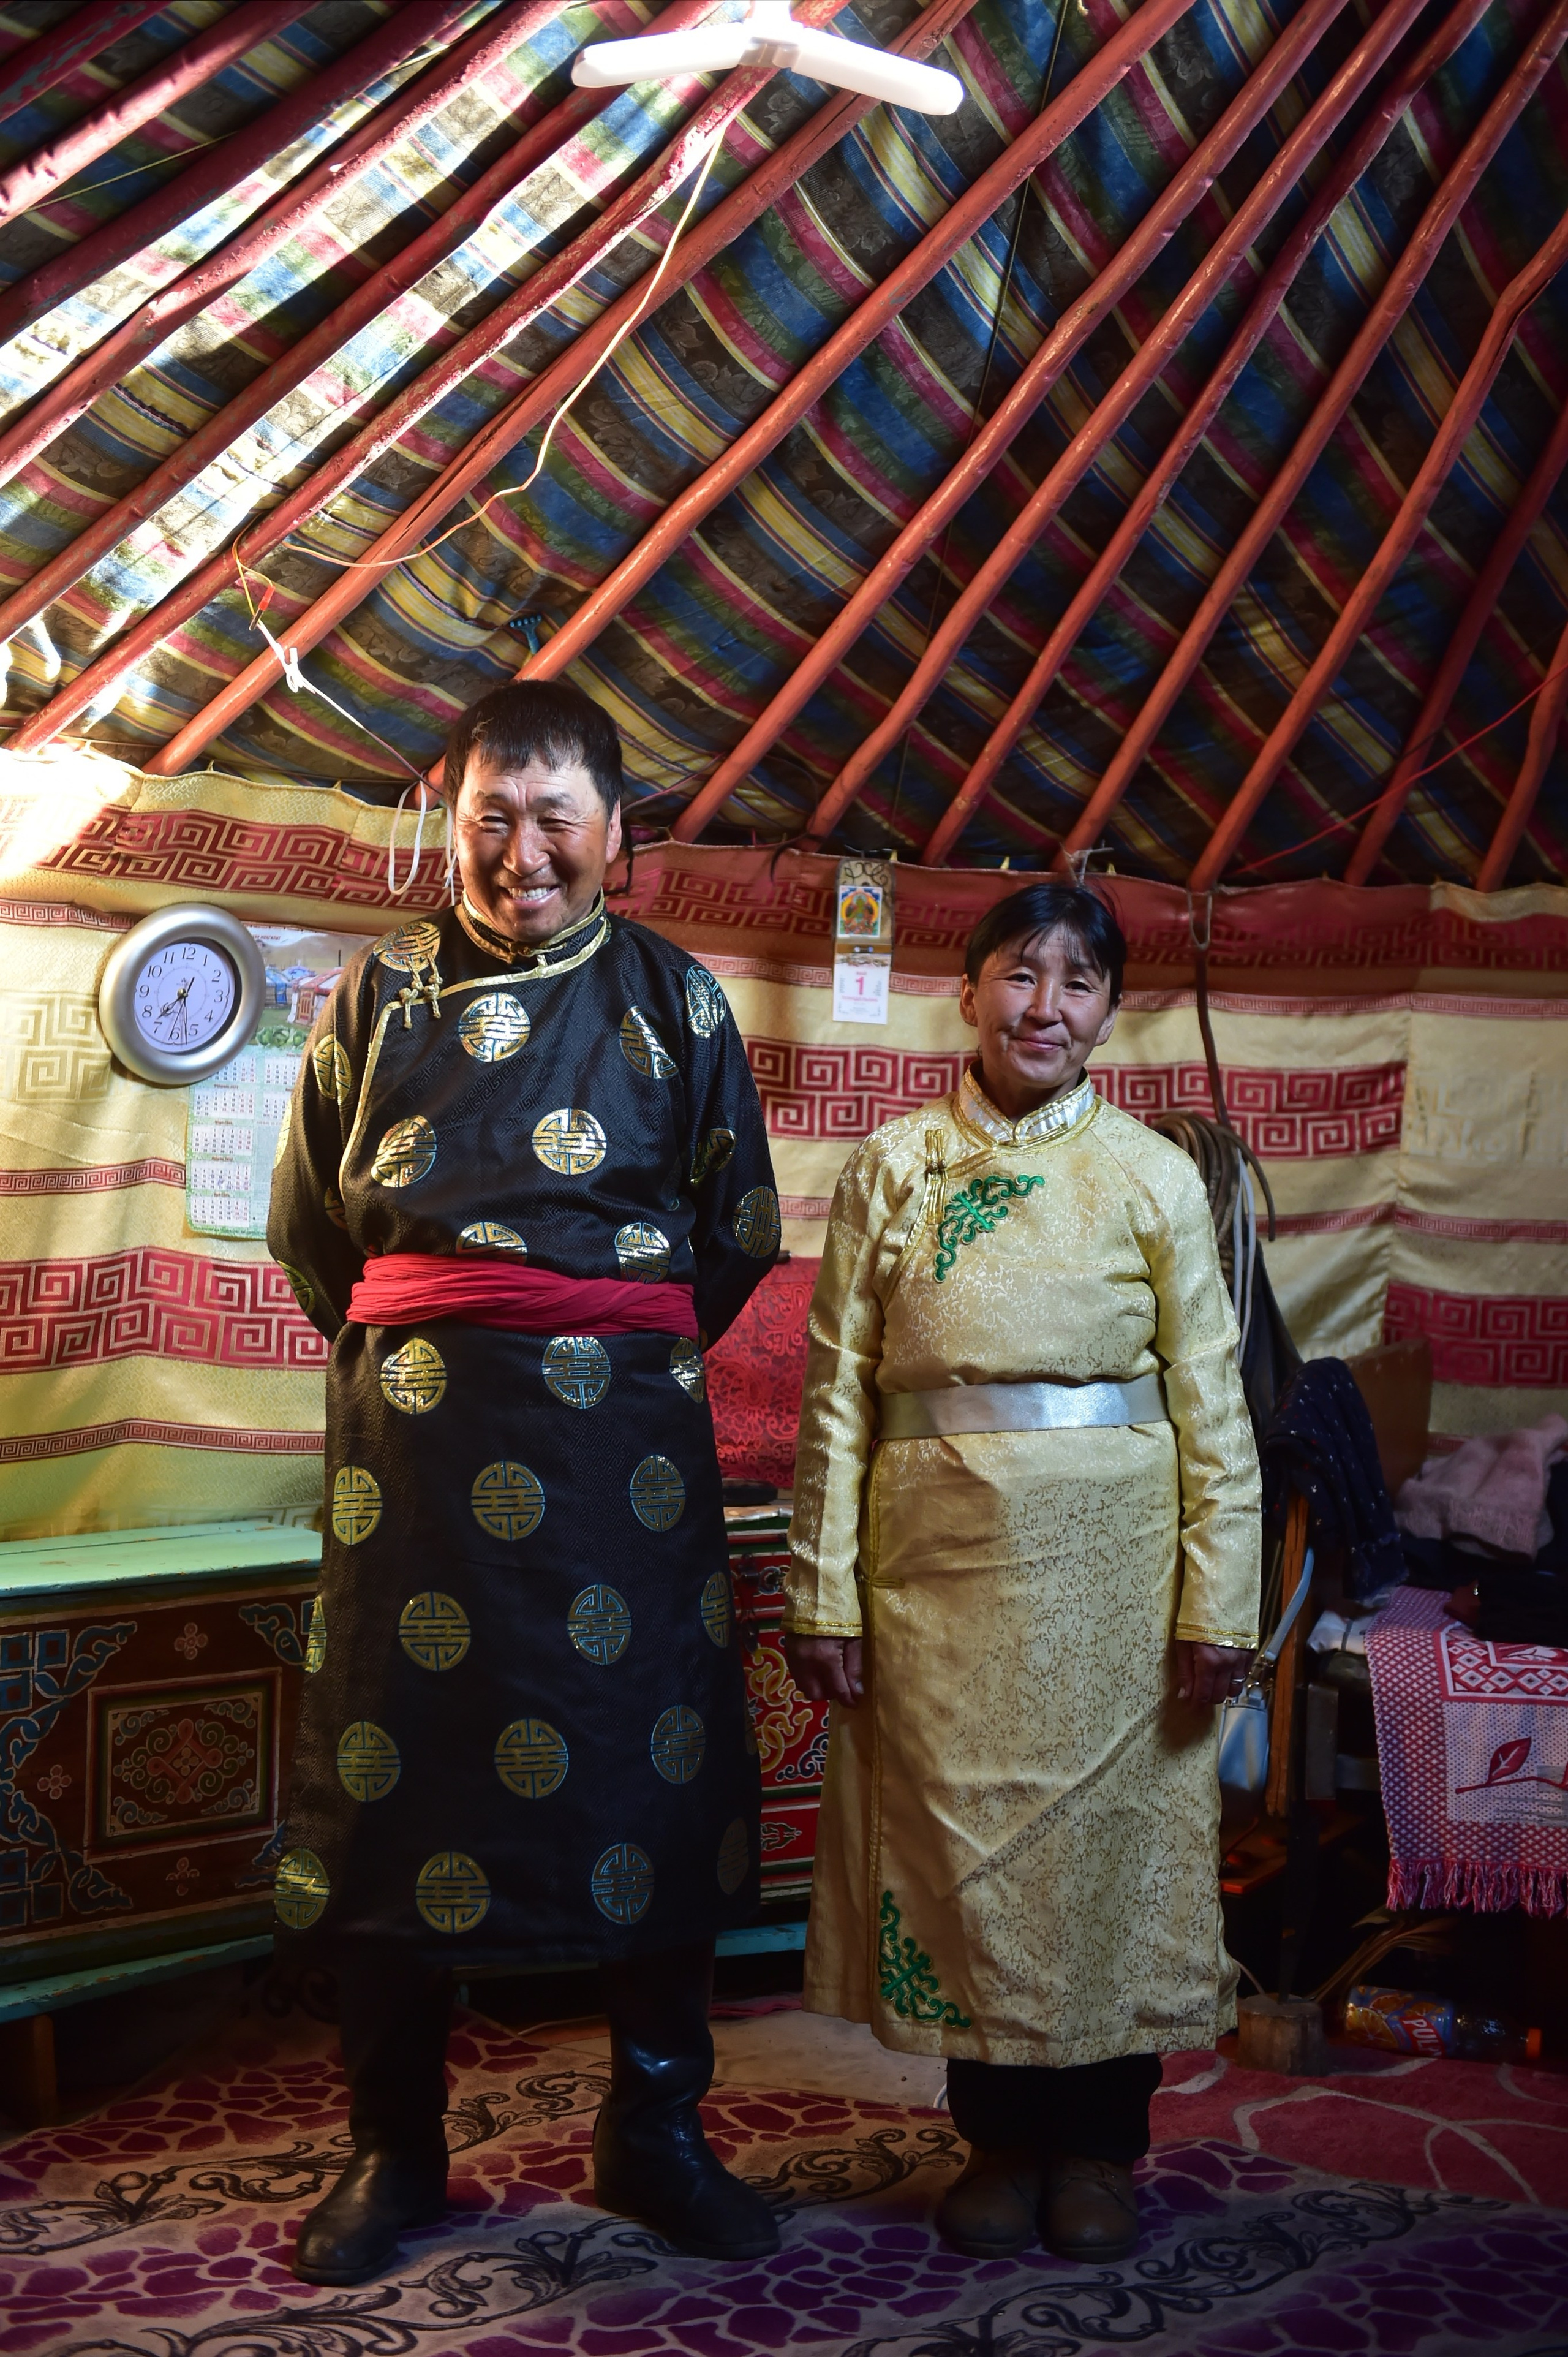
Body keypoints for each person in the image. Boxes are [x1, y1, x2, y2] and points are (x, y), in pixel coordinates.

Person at [268, 682, 782, 2285]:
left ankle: (656, 2129)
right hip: (412, 1471)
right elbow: (310, 1235)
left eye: (556, 818)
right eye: (493, 817)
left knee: (650, 1771)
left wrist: (598, 1353)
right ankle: (393, 2145)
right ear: (453, 818)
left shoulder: (677, 1001)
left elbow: (739, 1232)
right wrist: (443, 1357)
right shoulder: (377, 996)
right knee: (391, 1779)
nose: (523, 852)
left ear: (617, 834)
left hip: (621, 1465)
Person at [783, 882, 1260, 2264]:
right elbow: (833, 1399)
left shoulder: (1150, 1175)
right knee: (959, 1859)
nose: (1043, 1006)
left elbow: (1210, 1408)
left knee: (1106, 1855)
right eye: (1018, 974)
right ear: (968, 987)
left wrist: (1213, 1600)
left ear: (1109, 1007)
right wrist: (823, 1591)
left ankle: (1100, 2149)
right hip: (934, 1579)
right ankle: (993, 2139)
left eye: (1077, 981)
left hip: (1114, 1584)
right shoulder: (889, 1165)